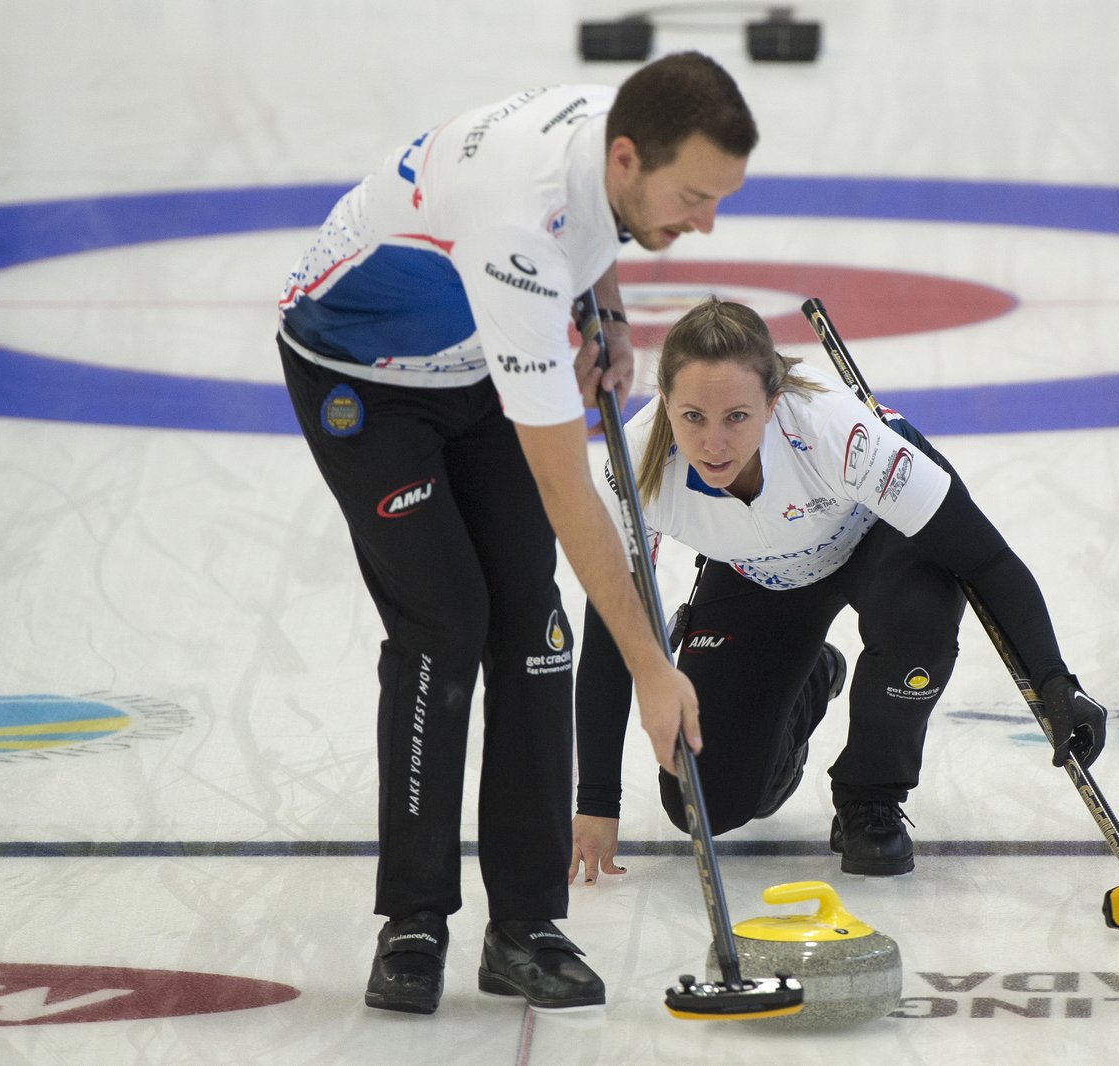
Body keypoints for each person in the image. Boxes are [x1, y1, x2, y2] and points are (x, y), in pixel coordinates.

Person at [275, 54, 757, 1015]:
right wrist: (653, 669)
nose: (706, 223)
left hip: (474, 359)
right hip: (360, 373)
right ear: (628, 156)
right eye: (695, 198)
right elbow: (565, 485)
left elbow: (594, 231)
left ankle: (526, 925)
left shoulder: (604, 136)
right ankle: (413, 920)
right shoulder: (517, 237)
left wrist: (610, 312)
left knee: (534, 634)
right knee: (446, 623)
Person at [569, 297, 1107, 884]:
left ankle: (868, 796)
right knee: (702, 805)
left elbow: (987, 559)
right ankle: (809, 679)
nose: (714, 444)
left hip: (874, 541)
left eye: (737, 417)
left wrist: (1056, 679)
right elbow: (612, 624)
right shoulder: (635, 468)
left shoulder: (836, 433)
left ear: (773, 405)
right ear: (665, 402)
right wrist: (597, 800)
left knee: (919, 619)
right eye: (693, 417)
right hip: (757, 571)